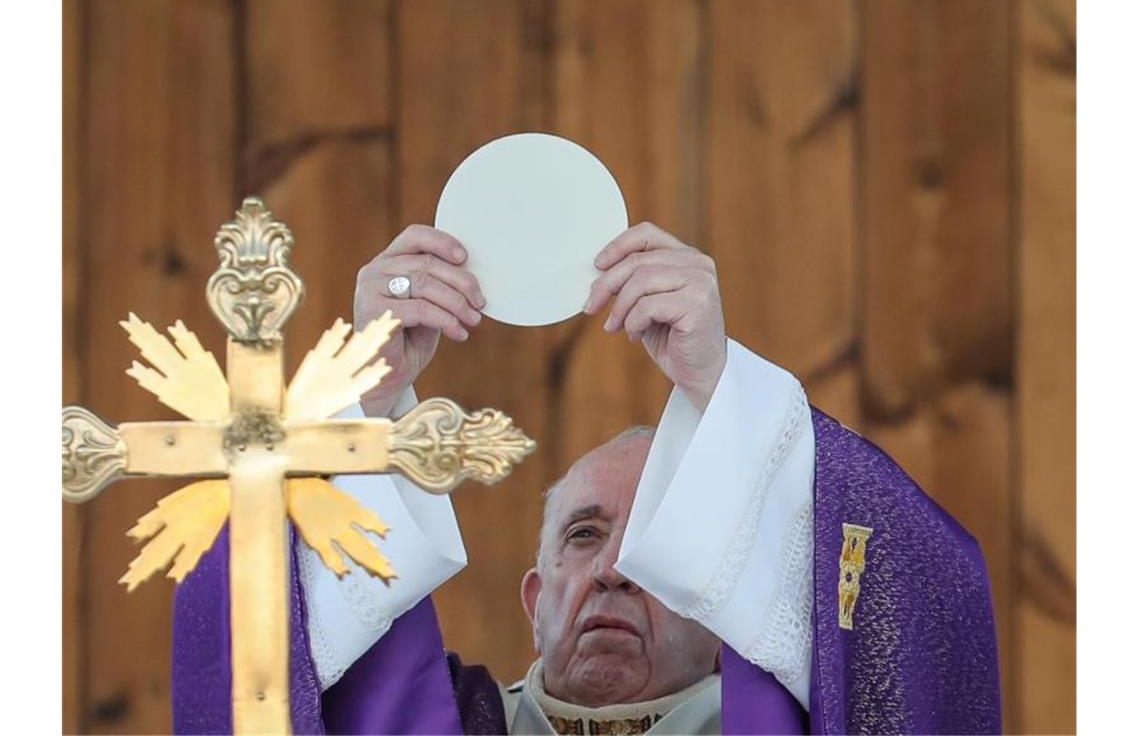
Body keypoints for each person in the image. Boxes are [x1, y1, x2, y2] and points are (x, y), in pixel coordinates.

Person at [172, 223, 1001, 734]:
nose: (613, 570)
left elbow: (931, 605)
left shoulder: (810, 719)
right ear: (536, 601)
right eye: (584, 535)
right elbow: (244, 634)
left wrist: (723, 389)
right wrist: (366, 398)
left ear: (729, 595)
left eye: (656, 543)